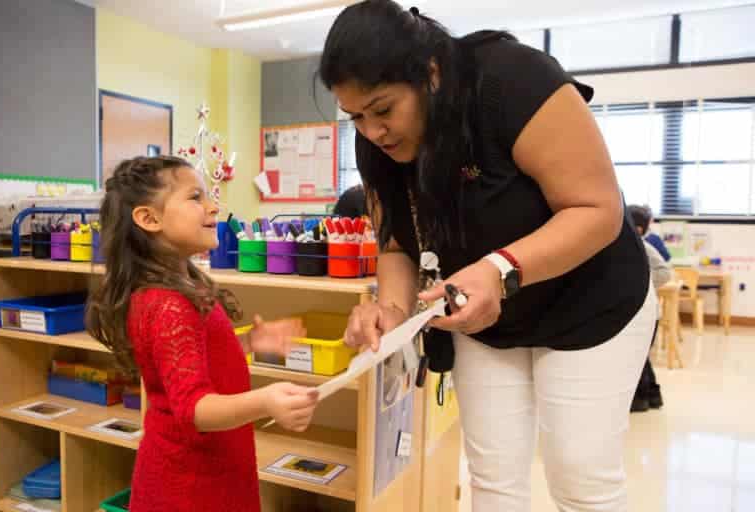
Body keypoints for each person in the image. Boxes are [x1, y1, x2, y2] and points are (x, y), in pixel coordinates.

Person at [320, 2, 654, 511]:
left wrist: (499, 270)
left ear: (429, 74)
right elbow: (395, 244)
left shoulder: (510, 80)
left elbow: (598, 209)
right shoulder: (376, 143)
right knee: (492, 479)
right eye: (355, 117)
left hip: (591, 303)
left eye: (384, 110)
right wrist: (389, 311)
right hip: (483, 315)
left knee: (581, 478)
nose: (371, 132)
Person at [86, 156, 319, 512]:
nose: (213, 206)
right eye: (196, 198)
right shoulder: (168, 305)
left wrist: (250, 343)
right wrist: (266, 402)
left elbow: (189, 360)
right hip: (191, 487)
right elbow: (193, 408)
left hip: (210, 467)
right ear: (150, 219)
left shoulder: (175, 290)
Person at [629, 205, 673, 412]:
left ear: (636, 229)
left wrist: (640, 286)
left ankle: (640, 399)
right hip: (636, 311)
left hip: (646, 312)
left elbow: (664, 272)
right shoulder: (632, 245)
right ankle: (654, 396)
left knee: (637, 357)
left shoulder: (643, 246)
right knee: (641, 355)